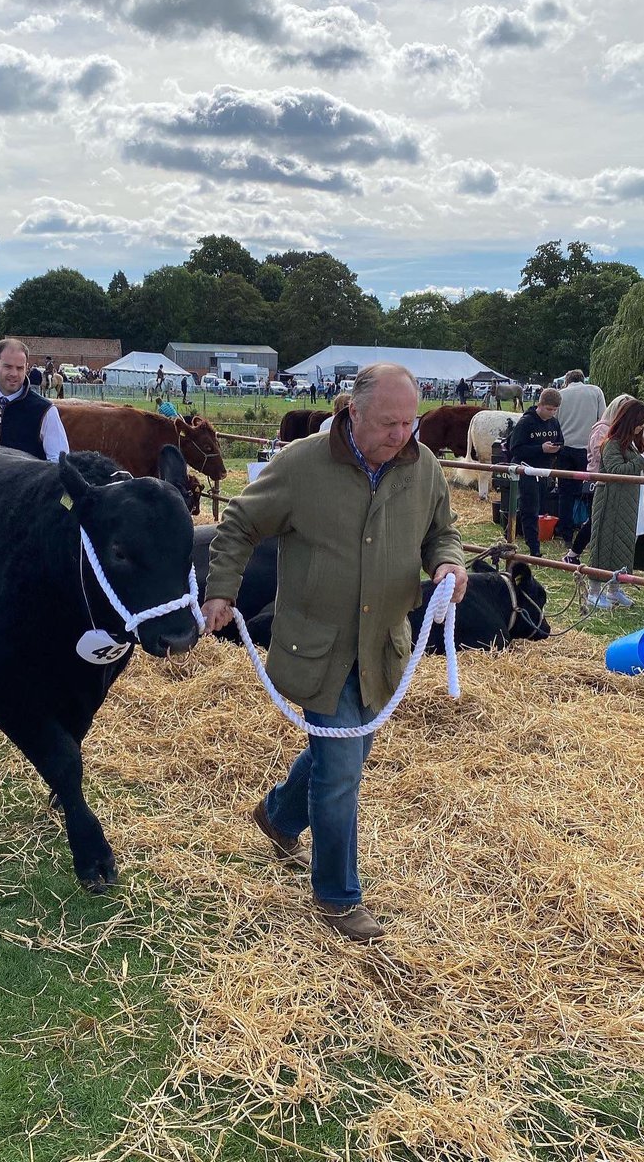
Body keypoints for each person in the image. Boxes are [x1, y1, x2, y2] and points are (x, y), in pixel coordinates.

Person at [201, 364, 468, 943]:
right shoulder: (301, 464)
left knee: (337, 756)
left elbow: (440, 532)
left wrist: (448, 563)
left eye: (409, 421)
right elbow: (241, 522)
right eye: (388, 423)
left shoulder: (422, 468)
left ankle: (277, 815)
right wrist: (221, 591)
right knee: (343, 768)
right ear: (352, 411)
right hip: (318, 647)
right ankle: (338, 895)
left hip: (383, 651)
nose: (402, 434)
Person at [585, 399, 644, 609]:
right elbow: (617, 471)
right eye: (641, 422)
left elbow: (637, 468)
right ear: (630, 420)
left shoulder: (633, 443)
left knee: (625, 543)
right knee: (605, 544)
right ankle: (593, 592)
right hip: (612, 501)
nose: (643, 426)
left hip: (632, 502)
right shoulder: (612, 444)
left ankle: (614, 590)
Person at [563, 393, 633, 566]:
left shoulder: (621, 431)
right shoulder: (602, 428)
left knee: (600, 521)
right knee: (596, 520)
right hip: (599, 480)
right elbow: (598, 453)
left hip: (613, 481)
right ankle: (573, 553)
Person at [507, 389, 564, 557]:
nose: (552, 413)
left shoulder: (554, 423)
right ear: (539, 405)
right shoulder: (526, 423)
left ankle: (510, 531)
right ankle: (534, 548)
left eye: (555, 410)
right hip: (526, 469)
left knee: (535, 507)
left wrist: (557, 448)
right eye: (548, 409)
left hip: (544, 471)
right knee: (530, 508)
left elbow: (561, 440)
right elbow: (515, 448)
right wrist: (540, 449)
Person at [554, 370, 605, 548]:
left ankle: (566, 534)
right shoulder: (596, 391)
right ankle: (592, 532)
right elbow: (603, 419)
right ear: (583, 380)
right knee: (592, 492)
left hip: (565, 449)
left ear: (567, 381)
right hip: (588, 449)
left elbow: (555, 421)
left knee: (565, 493)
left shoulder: (560, 395)